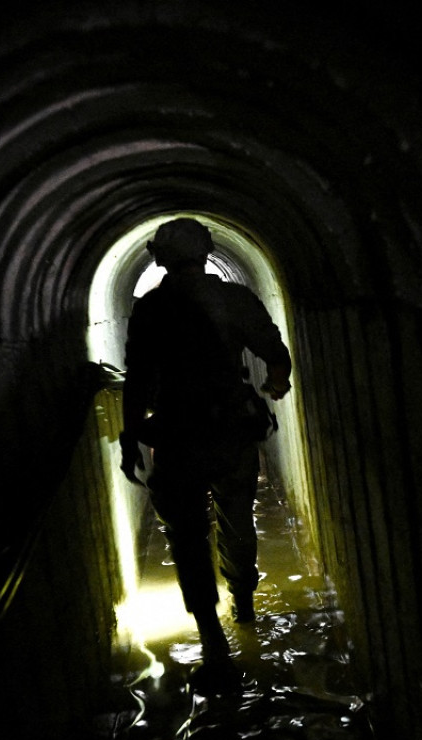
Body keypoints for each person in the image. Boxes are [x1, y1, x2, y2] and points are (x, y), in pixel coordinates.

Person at [119, 218, 292, 690]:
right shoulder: (235, 300)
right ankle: (245, 602)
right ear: (207, 251)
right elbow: (276, 354)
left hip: (175, 438)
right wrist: (275, 387)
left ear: (160, 258)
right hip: (230, 432)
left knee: (187, 536)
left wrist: (130, 438)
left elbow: (135, 380)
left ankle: (213, 641)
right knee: (239, 518)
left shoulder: (151, 309)